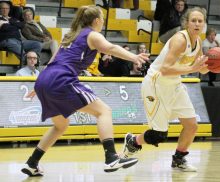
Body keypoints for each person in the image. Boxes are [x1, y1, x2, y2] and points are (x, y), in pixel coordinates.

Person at [21, 5, 149, 177]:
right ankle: (111, 157)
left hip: (46, 79)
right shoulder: (92, 35)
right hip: (62, 79)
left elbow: (53, 59)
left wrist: (40, 84)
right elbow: (110, 48)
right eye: (102, 19)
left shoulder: (70, 35)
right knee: (104, 111)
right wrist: (134, 57)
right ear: (96, 21)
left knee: (61, 125)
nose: (102, 23)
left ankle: (32, 162)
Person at [122, 7, 209, 172]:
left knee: (191, 126)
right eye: (193, 20)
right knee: (158, 135)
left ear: (203, 24)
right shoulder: (180, 40)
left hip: (174, 84)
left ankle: (179, 159)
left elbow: (200, 68)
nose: (197, 24)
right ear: (186, 23)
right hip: (156, 84)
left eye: (200, 21)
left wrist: (213, 65)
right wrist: (192, 69)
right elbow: (165, 69)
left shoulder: (197, 41)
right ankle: (133, 141)